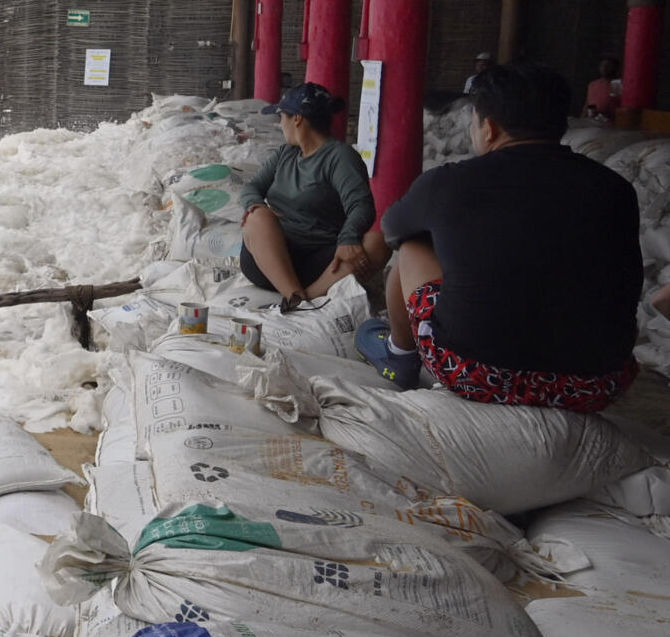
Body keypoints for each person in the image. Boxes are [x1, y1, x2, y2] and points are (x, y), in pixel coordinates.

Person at [354, 61, 642, 412]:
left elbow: (392, 228)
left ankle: (400, 354)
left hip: (478, 373)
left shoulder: (449, 182)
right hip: (598, 382)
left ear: (488, 128)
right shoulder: (616, 188)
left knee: (414, 242)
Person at [238, 82, 383, 313]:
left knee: (378, 243)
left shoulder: (340, 157)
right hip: (272, 260)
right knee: (257, 217)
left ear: (297, 119)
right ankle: (294, 295)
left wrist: (348, 239)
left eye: (281, 116)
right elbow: (251, 187)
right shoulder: (286, 153)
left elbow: (361, 206)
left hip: (320, 263)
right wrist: (256, 205)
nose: (280, 123)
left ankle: (306, 301)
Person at [583, 55, 622, 120]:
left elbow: (618, 103)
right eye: (602, 65)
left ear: (616, 68)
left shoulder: (618, 83)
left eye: (608, 66)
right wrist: (582, 119)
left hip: (610, 123)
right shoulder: (592, 84)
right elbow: (587, 104)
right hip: (592, 121)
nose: (604, 68)